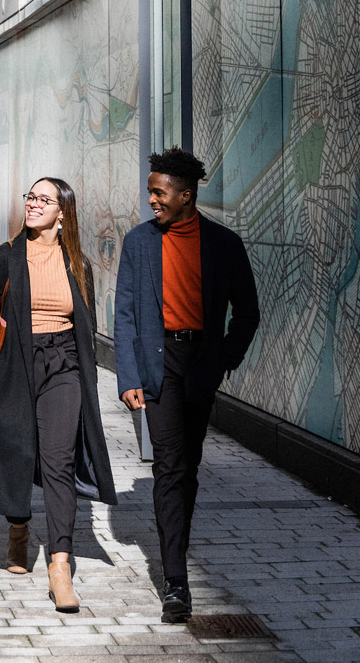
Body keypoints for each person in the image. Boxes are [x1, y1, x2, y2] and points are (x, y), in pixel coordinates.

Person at [115, 146, 259, 623]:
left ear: (185, 195)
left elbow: (248, 311)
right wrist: (129, 377)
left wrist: (224, 360)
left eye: (159, 192)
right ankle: (176, 581)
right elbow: (127, 315)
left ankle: (177, 549)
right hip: (159, 365)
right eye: (151, 191)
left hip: (200, 362)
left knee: (188, 467)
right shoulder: (138, 243)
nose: (152, 199)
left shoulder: (223, 244)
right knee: (169, 467)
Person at [0, 177, 117, 612]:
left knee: (59, 460)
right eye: (30, 198)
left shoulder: (78, 263)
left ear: (62, 212)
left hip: (63, 365)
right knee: (18, 451)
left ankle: (59, 565)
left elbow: (84, 322)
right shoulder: (4, 259)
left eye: (43, 199)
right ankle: (18, 527)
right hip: (16, 363)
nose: (33, 204)